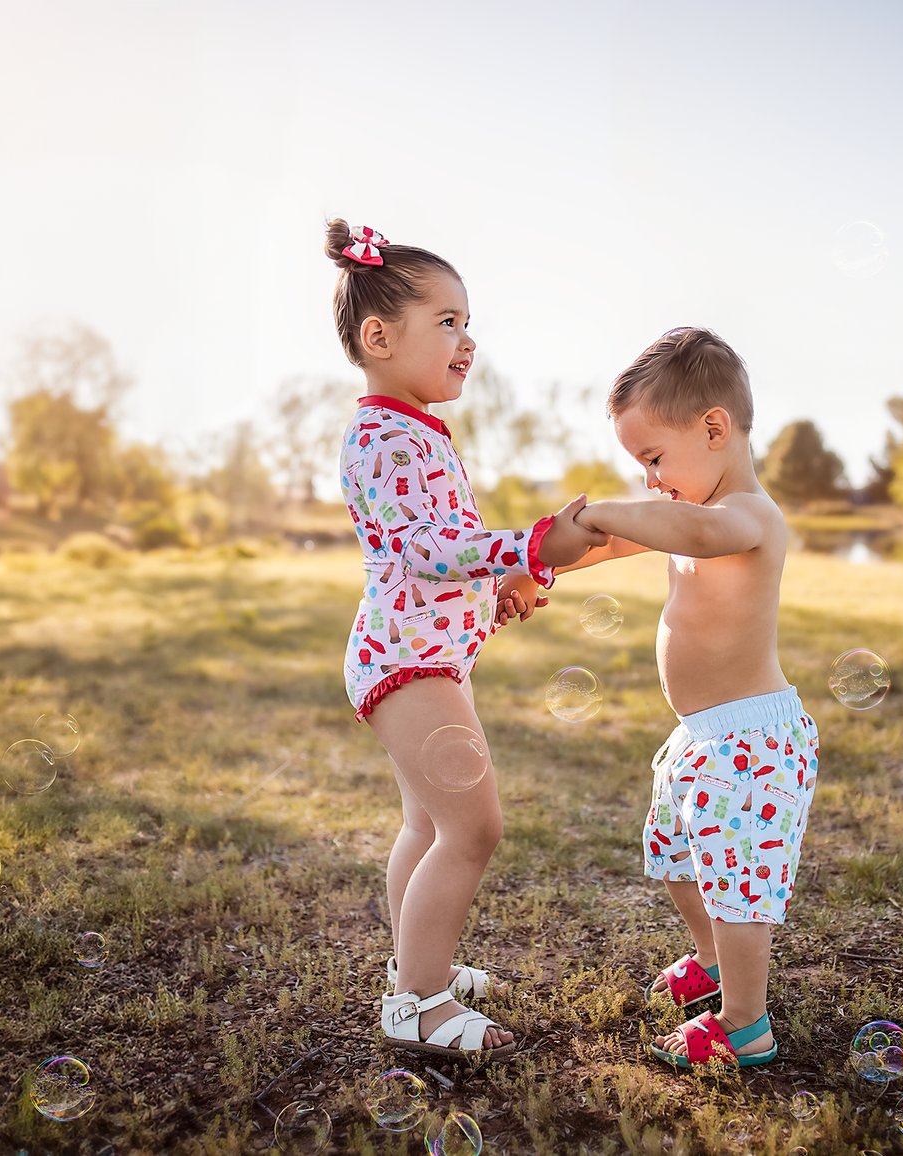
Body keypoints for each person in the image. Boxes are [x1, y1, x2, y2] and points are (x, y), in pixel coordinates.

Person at [328, 220, 605, 1061]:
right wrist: (527, 545)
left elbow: (444, 549)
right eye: (446, 321)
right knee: (472, 828)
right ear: (379, 337)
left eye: (466, 321)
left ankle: (418, 962)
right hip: (409, 663)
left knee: (426, 824)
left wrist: (516, 580)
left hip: (422, 656)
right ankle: (415, 1001)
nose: (466, 340)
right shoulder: (384, 435)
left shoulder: (412, 430)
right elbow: (429, 547)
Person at [558, 327, 820, 1069]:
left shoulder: (745, 517)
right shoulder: (686, 508)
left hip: (752, 742)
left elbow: (696, 531)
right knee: (677, 860)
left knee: (736, 888)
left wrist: (608, 508)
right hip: (702, 738)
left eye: (652, 459)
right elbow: (610, 543)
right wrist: (537, 569)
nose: (649, 480)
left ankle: (745, 1023)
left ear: (713, 428)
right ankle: (710, 961)